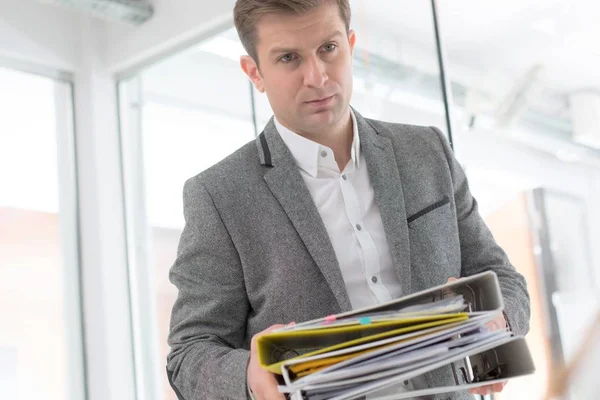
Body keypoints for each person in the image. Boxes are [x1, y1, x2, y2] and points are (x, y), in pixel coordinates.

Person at [166, 1, 530, 399]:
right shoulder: (219, 195)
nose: (317, 77)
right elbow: (189, 354)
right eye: (289, 58)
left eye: (328, 48)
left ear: (351, 44)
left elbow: (503, 278)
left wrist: (497, 323)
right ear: (255, 72)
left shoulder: (426, 151)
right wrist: (249, 375)